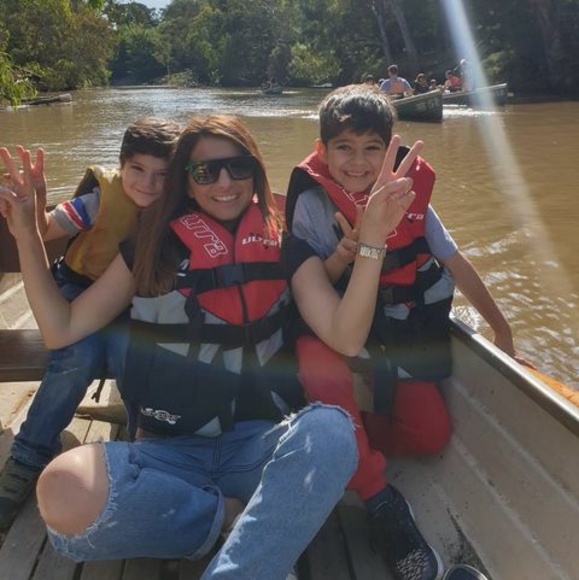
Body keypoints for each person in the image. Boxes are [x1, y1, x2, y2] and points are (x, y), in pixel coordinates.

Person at [0, 115, 358, 580]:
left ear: (255, 171)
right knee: (63, 490)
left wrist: (371, 245)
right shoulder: (149, 249)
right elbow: (61, 330)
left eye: (238, 167)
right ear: (186, 182)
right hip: (168, 454)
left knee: (332, 431)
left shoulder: (285, 247)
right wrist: (27, 234)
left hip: (258, 448)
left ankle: (230, 552)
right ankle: (232, 517)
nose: (224, 183)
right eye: (205, 171)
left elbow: (345, 336)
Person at [284, 83, 526, 580]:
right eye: (344, 148)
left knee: (431, 433)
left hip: (391, 331)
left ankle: (341, 442)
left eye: (372, 148)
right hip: (330, 329)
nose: (358, 162)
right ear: (321, 150)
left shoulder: (406, 198)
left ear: (390, 151)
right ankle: (378, 497)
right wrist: (342, 255)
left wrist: (502, 333)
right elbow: (313, 285)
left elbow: (454, 261)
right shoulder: (312, 205)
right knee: (321, 368)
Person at [0, 117, 181, 530]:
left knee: (133, 354)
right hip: (75, 289)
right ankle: (28, 455)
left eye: (161, 175)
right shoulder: (99, 200)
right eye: (137, 169)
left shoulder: (174, 210)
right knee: (77, 355)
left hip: (129, 304)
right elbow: (47, 229)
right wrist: (35, 205)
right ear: (121, 165)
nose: (148, 184)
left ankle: (142, 448)